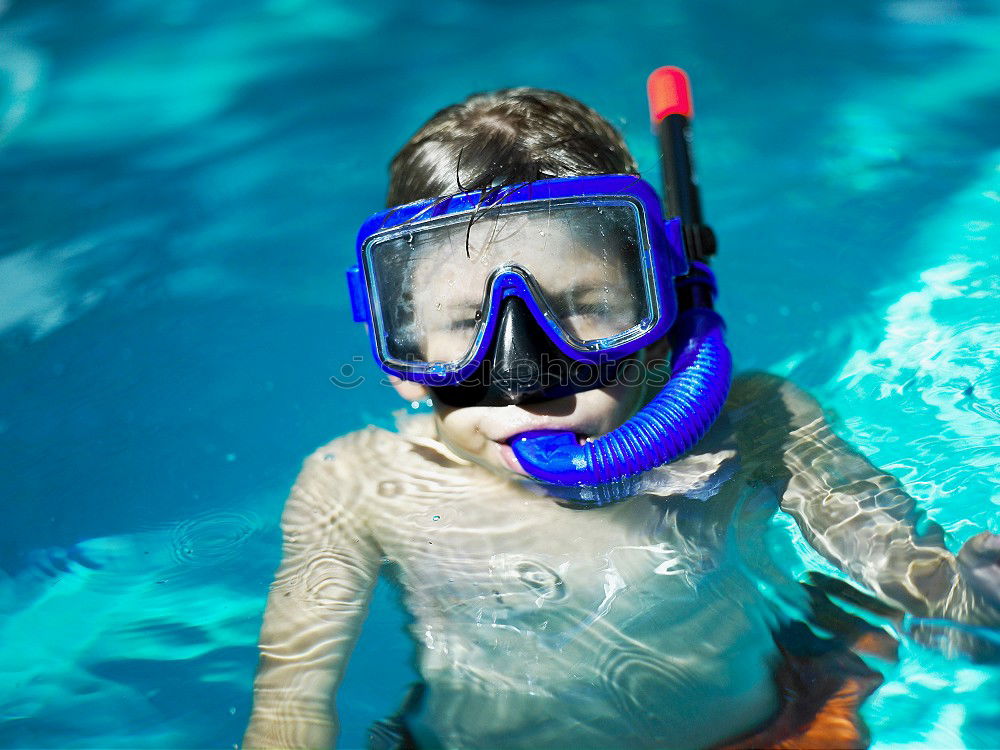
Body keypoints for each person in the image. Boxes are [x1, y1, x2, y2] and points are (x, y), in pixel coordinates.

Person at [243, 85, 1000, 750]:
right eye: (465, 322)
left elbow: (911, 580)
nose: (524, 376)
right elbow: (289, 706)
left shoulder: (752, 420)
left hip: (775, 732)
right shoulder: (357, 485)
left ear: (666, 309)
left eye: (584, 309)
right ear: (400, 358)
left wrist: (971, 594)